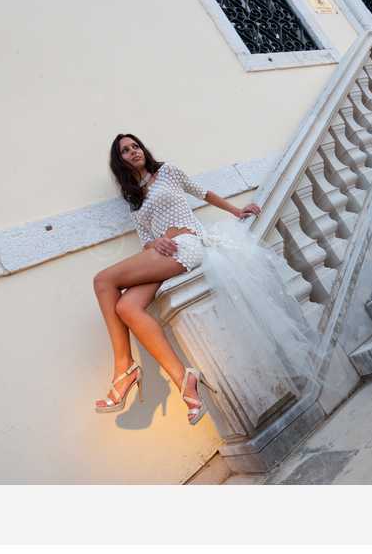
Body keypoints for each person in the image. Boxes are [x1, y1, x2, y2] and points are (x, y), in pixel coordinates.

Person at [92, 133, 260, 423]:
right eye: (125, 151)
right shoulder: (134, 198)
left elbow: (202, 192)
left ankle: (124, 369)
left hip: (188, 244)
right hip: (162, 255)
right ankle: (184, 379)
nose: (133, 152)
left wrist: (236, 210)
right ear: (120, 161)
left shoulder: (168, 172)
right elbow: (146, 240)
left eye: (135, 146)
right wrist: (154, 242)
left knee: (103, 281)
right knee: (126, 307)